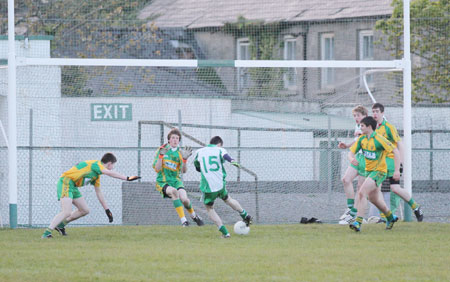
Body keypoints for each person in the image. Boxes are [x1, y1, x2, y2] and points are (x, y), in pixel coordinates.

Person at [42, 153, 140, 238]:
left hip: (73, 186)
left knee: (84, 210)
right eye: (113, 165)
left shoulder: (96, 176)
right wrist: (126, 178)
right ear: (109, 163)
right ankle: (47, 233)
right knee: (67, 212)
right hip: (66, 182)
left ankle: (60, 226)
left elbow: (99, 192)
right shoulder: (96, 164)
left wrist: (107, 210)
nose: (113, 167)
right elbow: (108, 172)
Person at [372, 103, 424, 222]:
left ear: (382, 113)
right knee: (376, 189)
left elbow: (399, 144)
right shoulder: (374, 128)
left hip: (391, 162)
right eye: (373, 111)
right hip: (380, 164)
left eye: (377, 111)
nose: (374, 114)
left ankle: (415, 207)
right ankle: (385, 217)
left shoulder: (389, 127)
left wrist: (400, 164)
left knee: (395, 188)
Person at [193, 136, 252, 238]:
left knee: (209, 208)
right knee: (228, 199)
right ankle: (245, 215)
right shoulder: (220, 150)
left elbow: (198, 168)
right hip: (220, 184)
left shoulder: (199, 152)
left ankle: (225, 233)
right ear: (219, 144)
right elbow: (226, 156)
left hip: (208, 186)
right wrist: (232, 161)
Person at [348, 116, 400, 232]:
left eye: (362, 126)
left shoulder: (379, 139)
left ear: (369, 127)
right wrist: (351, 159)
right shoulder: (362, 139)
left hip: (379, 172)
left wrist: (397, 170)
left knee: (362, 192)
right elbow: (351, 152)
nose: (360, 127)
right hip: (369, 172)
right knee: (374, 199)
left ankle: (358, 222)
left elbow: (395, 151)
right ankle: (390, 217)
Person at [153, 128, 204, 227]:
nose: (175, 140)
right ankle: (184, 221)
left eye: (177, 138)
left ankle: (194, 216)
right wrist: (160, 157)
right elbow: (157, 169)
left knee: (184, 199)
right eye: (173, 138)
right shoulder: (161, 150)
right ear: (169, 140)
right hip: (163, 181)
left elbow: (183, 171)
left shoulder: (180, 153)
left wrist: (184, 160)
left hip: (176, 181)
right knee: (174, 192)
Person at [338, 105, 368, 224]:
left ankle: (356, 215)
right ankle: (350, 210)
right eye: (354, 116)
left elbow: (370, 138)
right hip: (358, 157)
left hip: (367, 159)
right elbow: (357, 142)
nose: (356, 118)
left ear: (365, 115)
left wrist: (361, 134)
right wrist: (346, 145)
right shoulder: (357, 126)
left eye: (358, 115)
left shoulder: (369, 125)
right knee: (346, 180)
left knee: (361, 188)